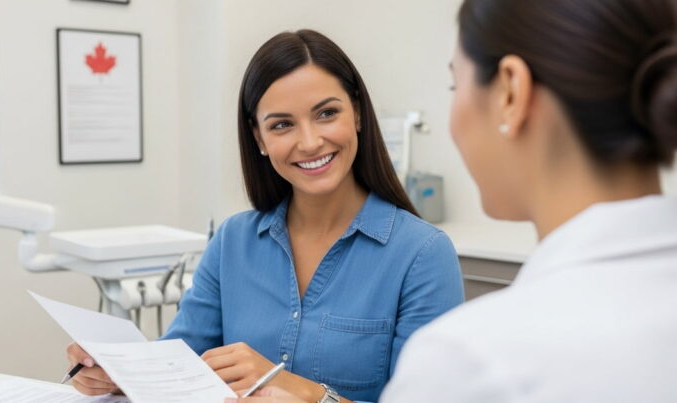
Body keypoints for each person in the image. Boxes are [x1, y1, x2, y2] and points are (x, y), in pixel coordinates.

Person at [232, 0, 677, 402]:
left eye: (453, 86)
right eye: (282, 125)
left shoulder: (469, 360)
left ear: (510, 93)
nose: (309, 141)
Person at [66, 29, 464, 403]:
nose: (309, 142)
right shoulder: (232, 241)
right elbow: (177, 365)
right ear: (259, 138)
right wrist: (118, 374)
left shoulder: (423, 255)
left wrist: (300, 391)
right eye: (282, 125)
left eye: (326, 113)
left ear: (357, 114)